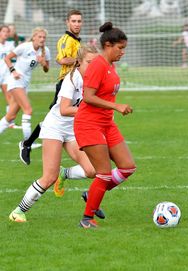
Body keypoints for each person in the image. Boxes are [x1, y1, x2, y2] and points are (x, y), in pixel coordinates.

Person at [9, 44, 105, 223]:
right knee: (49, 178)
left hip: (73, 130)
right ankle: (18, 212)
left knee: (93, 169)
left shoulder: (94, 79)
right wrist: (91, 112)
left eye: (96, 63)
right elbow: (64, 109)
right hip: (55, 127)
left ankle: (65, 174)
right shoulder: (72, 79)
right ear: (79, 63)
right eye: (89, 63)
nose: (93, 67)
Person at [74, 22, 137, 228]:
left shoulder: (111, 65)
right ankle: (86, 219)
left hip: (106, 124)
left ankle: (92, 193)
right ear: (108, 45)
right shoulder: (98, 65)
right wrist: (116, 105)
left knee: (127, 167)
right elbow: (88, 97)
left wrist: (113, 109)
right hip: (89, 124)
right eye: (120, 48)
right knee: (104, 172)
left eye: (124, 48)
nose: (123, 52)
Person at [19, 9, 83, 165]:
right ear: (67, 22)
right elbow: (61, 60)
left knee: (57, 118)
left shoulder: (75, 40)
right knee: (56, 118)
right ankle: (27, 144)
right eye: (73, 21)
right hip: (66, 83)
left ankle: (28, 144)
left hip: (75, 84)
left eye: (79, 21)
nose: (76, 24)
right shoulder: (66, 40)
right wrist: (82, 59)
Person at [0, 27, 50, 140]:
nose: (42, 39)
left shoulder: (45, 51)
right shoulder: (25, 47)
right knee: (28, 110)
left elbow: (47, 69)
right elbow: (7, 58)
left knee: (11, 115)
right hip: (15, 81)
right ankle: (27, 144)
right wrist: (14, 71)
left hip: (25, 84)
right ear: (34, 37)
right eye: (39, 37)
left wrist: (43, 63)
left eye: (44, 37)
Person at [0, 25, 15, 119]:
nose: (6, 33)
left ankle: (10, 122)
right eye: (4, 31)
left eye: (7, 31)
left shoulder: (10, 44)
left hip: (5, 75)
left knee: (9, 97)